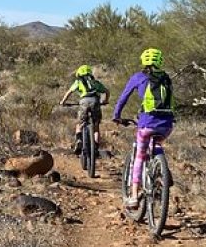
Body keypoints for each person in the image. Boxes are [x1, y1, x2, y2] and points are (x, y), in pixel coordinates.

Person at [112, 48, 175, 208]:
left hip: (147, 122)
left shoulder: (138, 77)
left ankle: (133, 196)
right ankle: (164, 170)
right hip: (167, 124)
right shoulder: (166, 78)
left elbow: (123, 98)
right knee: (157, 144)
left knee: (140, 156)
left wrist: (116, 115)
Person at [59, 65, 110, 154]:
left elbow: (69, 92)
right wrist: (105, 100)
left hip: (84, 102)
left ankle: (79, 140)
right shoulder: (95, 82)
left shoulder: (78, 82)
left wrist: (63, 102)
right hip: (95, 101)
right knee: (96, 126)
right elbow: (107, 91)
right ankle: (96, 146)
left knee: (80, 123)